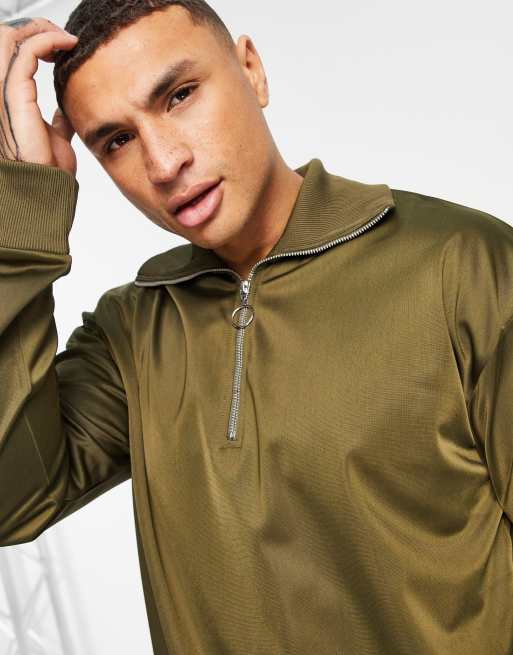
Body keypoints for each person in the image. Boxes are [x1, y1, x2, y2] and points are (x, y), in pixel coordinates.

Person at [1, 2, 513, 654]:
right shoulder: (131, 334)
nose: (164, 163)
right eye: (117, 140)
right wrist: (20, 213)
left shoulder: (463, 265)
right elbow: (11, 499)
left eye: (179, 95)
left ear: (252, 70)